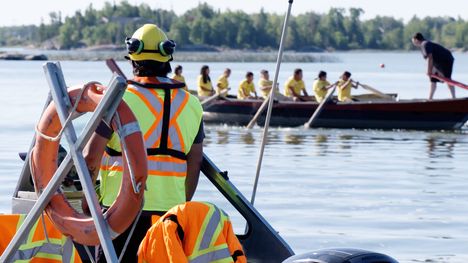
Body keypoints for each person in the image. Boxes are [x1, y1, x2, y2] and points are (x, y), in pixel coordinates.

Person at [84, 24, 204, 262]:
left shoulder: (118, 100)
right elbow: (195, 163)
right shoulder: (193, 105)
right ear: (167, 59)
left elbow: (90, 158)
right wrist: (180, 204)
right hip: (170, 214)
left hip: (121, 213)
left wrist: (88, 204)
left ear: (133, 59)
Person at [137, 201, 247, 263]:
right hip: (215, 213)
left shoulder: (152, 248)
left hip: (185, 217)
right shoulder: (154, 239)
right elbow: (236, 252)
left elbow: (175, 257)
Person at [412, 32, 456, 100]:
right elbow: (427, 59)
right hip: (437, 62)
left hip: (446, 59)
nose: (413, 43)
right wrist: (430, 70)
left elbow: (430, 57)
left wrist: (429, 70)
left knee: (448, 79)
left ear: (416, 40)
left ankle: (454, 98)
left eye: (413, 41)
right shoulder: (422, 46)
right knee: (433, 80)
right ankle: (430, 99)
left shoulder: (425, 44)